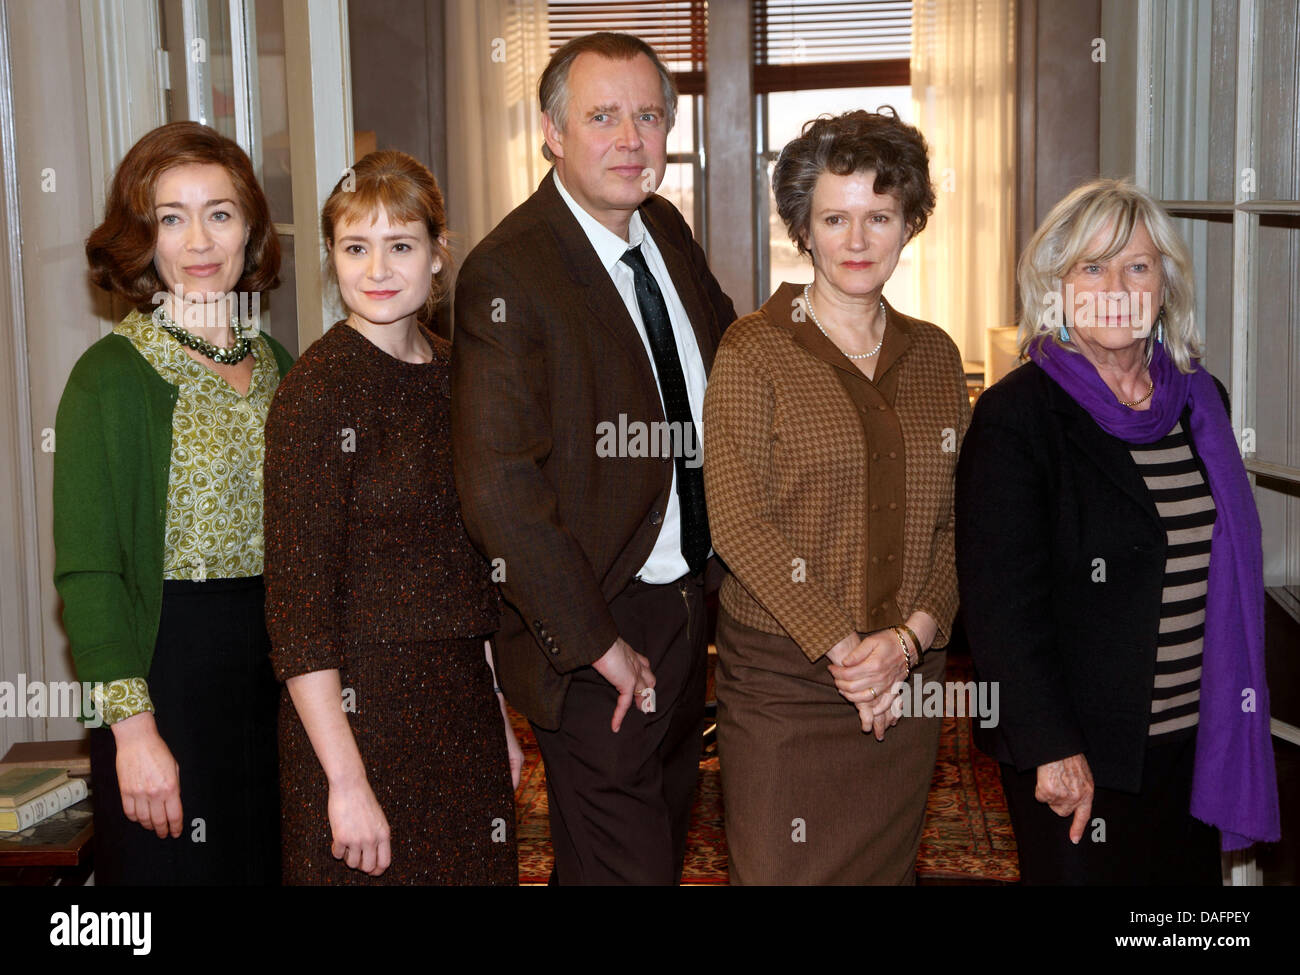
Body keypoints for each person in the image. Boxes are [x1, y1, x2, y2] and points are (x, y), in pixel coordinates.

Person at [452, 32, 736, 885]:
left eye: (648, 116)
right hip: (594, 624)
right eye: (602, 116)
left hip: (690, 608)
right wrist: (593, 640)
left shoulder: (666, 229)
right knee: (633, 866)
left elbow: (728, 371)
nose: (630, 138)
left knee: (634, 851)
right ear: (552, 131)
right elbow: (499, 488)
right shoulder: (507, 269)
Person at [955, 177, 1281, 884]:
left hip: (1195, 742)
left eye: (1137, 265)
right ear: (1058, 287)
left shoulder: (1201, 399)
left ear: (1163, 284)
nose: (1116, 284)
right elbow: (1001, 607)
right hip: (1083, 753)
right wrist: (1050, 744)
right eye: (1091, 266)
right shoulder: (1020, 416)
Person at [702, 109, 969, 884]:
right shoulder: (754, 347)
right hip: (786, 688)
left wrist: (907, 644)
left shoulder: (936, 355)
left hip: (907, 678)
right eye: (835, 218)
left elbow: (959, 524)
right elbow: (738, 520)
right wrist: (851, 654)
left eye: (879, 216)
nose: (857, 241)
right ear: (804, 228)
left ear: (911, 222)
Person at [263, 150, 517, 885]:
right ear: (331, 258)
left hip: (459, 706)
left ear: (438, 255)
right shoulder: (314, 396)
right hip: (355, 720)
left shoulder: (459, 374)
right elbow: (298, 616)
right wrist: (344, 782)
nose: (376, 266)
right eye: (354, 246)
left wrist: (496, 708)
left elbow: (477, 564)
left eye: (400, 245)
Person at [54, 121, 290, 884]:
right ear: (142, 237)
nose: (200, 240)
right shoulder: (108, 377)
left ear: (250, 227)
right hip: (167, 680)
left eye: (220, 212)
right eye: (172, 216)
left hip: (277, 683)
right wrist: (133, 732)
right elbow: (89, 578)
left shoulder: (282, 365)